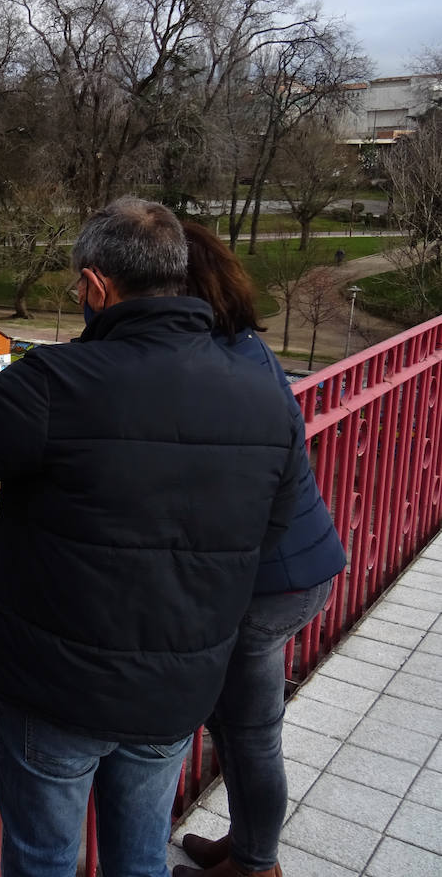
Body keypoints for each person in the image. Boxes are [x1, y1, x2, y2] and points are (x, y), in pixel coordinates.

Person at [0, 197, 305, 877]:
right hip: (178, 686)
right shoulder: (265, 391)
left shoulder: (57, 383)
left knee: (45, 859)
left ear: (95, 287)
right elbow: (274, 526)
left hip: (59, 691)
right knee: (141, 854)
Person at [174, 222, 346, 877]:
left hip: (268, 581)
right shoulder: (242, 345)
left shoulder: (208, 363)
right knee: (239, 725)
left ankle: (256, 866)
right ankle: (247, 846)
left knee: (249, 733)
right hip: (297, 564)